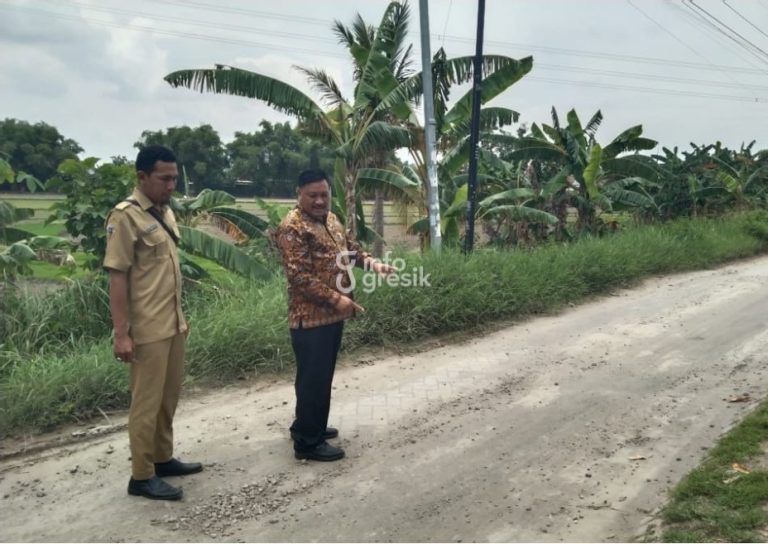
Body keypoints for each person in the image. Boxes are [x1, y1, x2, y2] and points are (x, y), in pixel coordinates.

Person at [104, 145, 202, 500]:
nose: (171, 185)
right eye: (164, 178)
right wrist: (122, 334)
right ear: (142, 177)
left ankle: (162, 458)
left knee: (168, 398)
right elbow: (117, 278)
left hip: (173, 324)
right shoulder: (125, 217)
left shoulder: (165, 211)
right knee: (145, 404)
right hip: (146, 329)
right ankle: (141, 476)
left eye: (174, 178)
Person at [275, 169, 394, 461]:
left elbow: (350, 250)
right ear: (298, 194)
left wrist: (373, 264)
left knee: (319, 376)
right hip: (310, 318)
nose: (319, 201)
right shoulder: (293, 227)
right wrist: (336, 299)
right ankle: (307, 443)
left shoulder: (330, 219)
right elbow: (299, 277)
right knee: (312, 378)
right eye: (312, 195)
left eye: (324, 195)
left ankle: (308, 425)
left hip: (332, 316)